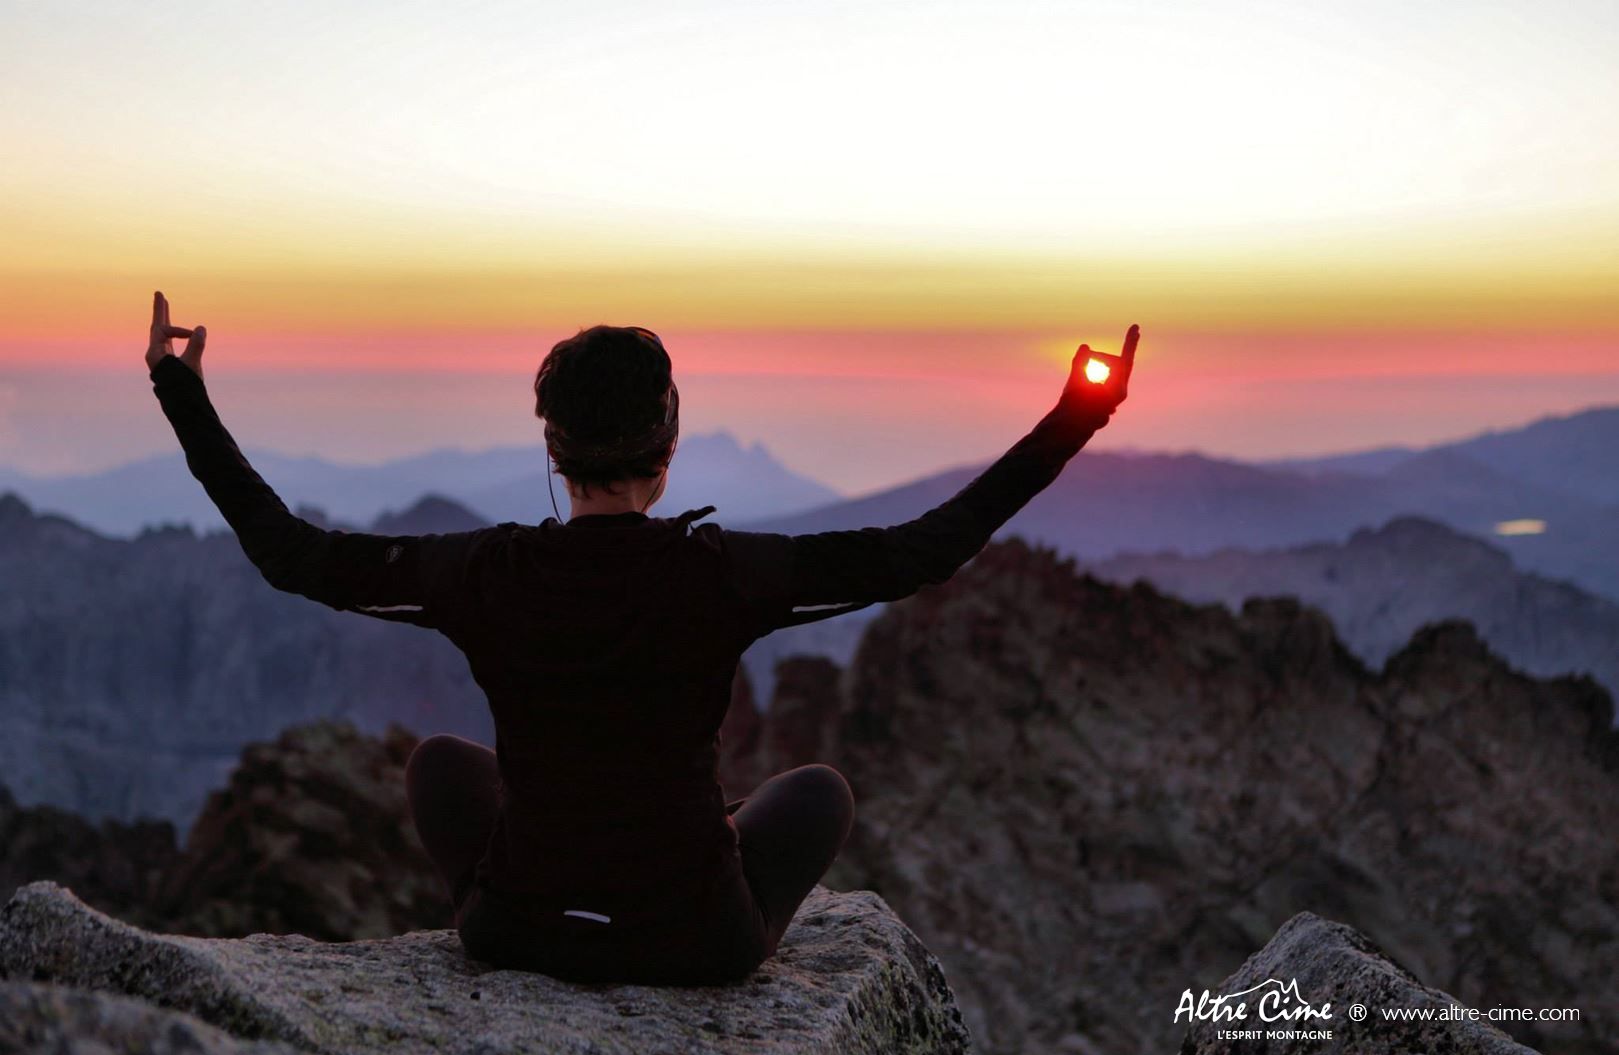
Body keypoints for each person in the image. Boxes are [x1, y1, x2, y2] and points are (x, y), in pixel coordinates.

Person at [144, 290, 1139, 985]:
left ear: (550, 450)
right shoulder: (719, 577)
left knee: (441, 765)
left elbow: (291, 554)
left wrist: (181, 393)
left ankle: (539, 893)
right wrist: (1074, 417)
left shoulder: (485, 574)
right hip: (695, 942)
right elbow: (923, 549)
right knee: (818, 791)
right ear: (665, 455)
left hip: (514, 930)